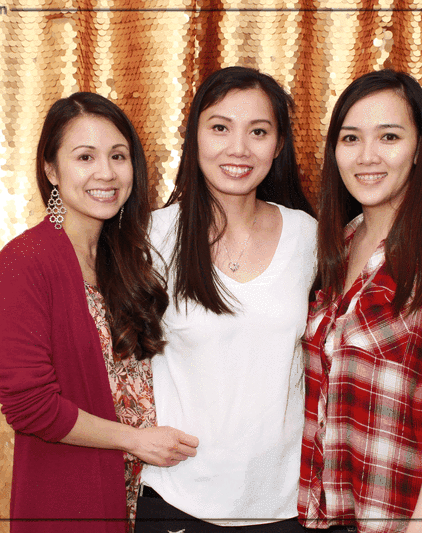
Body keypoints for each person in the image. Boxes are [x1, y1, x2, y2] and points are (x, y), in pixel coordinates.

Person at [0, 93, 199, 533]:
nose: (106, 172)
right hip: (73, 496)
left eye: (118, 156)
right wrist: (135, 441)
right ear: (51, 170)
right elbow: (30, 407)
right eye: (85, 157)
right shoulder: (24, 261)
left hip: (153, 496)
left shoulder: (131, 257)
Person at [298, 69, 422, 533]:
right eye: (351, 138)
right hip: (332, 517)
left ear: (419, 149)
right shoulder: (338, 246)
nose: (367, 156)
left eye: (389, 136)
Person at [135, 66, 317, 533]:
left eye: (258, 131)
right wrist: (132, 436)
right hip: (177, 498)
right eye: (220, 128)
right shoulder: (153, 237)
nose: (239, 148)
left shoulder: (309, 237)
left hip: (286, 506)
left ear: (278, 145)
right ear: (194, 137)